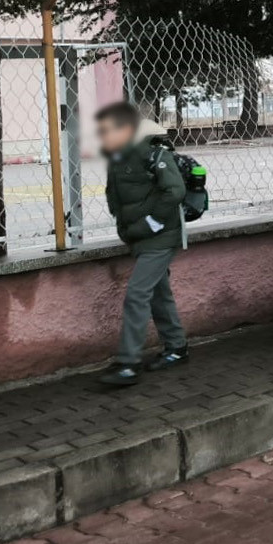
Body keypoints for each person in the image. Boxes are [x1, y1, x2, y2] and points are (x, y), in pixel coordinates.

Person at [95, 102, 189, 387]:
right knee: (159, 293)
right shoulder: (118, 157)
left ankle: (129, 363)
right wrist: (129, 230)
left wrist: (152, 222)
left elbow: (175, 191)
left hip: (160, 237)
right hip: (140, 238)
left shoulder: (152, 154)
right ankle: (177, 347)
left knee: (137, 294)